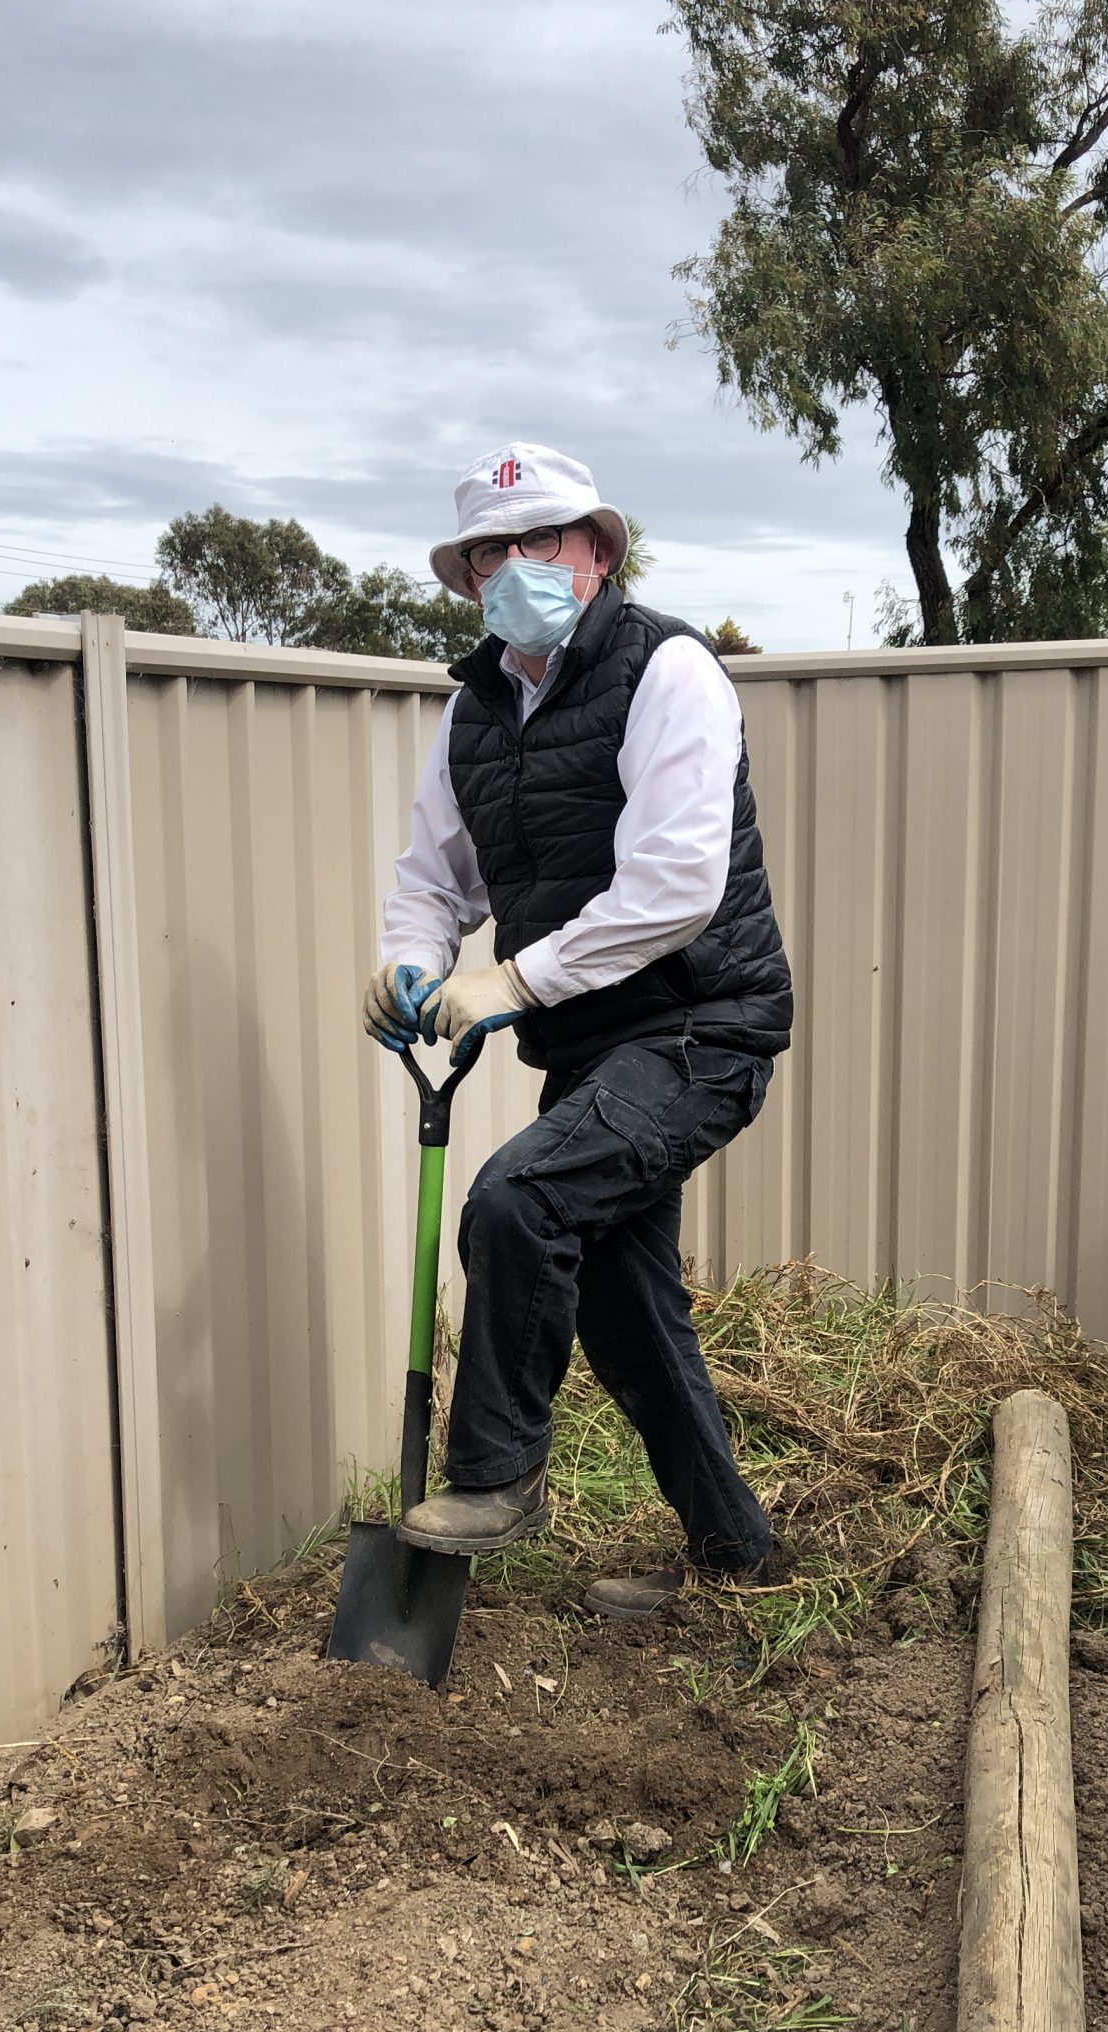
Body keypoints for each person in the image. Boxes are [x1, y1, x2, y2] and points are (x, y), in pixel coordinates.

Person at [362, 441, 793, 1619]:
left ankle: (497, 1480)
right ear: (467, 578)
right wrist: (410, 959)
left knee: (519, 1201)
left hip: (703, 1028)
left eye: (536, 542)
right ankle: (738, 1556)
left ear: (596, 553)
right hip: (598, 1051)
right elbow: (433, 878)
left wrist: (512, 982)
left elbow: (674, 887)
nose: (511, 567)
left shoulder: (672, 673)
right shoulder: (474, 713)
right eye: (488, 551)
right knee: (623, 1304)